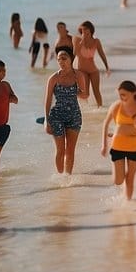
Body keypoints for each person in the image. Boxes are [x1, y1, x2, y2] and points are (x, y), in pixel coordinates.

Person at [101, 80, 136, 200]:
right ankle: (124, 195)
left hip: (134, 146)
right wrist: (104, 146)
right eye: (119, 94)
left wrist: (135, 118)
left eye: (124, 94)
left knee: (130, 178)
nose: (121, 97)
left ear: (134, 93)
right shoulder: (116, 106)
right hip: (118, 146)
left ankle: (127, 203)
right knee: (118, 180)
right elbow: (105, 124)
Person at [43, 46, 86, 175]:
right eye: (58, 59)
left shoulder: (78, 75)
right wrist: (46, 120)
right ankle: (61, 177)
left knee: (70, 150)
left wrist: (74, 93)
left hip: (74, 116)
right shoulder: (53, 78)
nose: (61, 61)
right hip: (57, 116)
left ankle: (67, 178)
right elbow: (48, 100)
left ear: (71, 59)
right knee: (60, 150)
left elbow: (84, 94)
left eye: (64, 58)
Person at [74, 20, 112, 108]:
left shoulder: (96, 41)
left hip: (93, 70)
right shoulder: (77, 40)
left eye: (86, 29)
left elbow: (102, 54)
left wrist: (107, 67)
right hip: (82, 70)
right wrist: (82, 41)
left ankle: (101, 108)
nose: (84, 31)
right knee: (85, 94)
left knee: (96, 91)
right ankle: (82, 109)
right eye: (82, 30)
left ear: (91, 29)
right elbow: (74, 53)